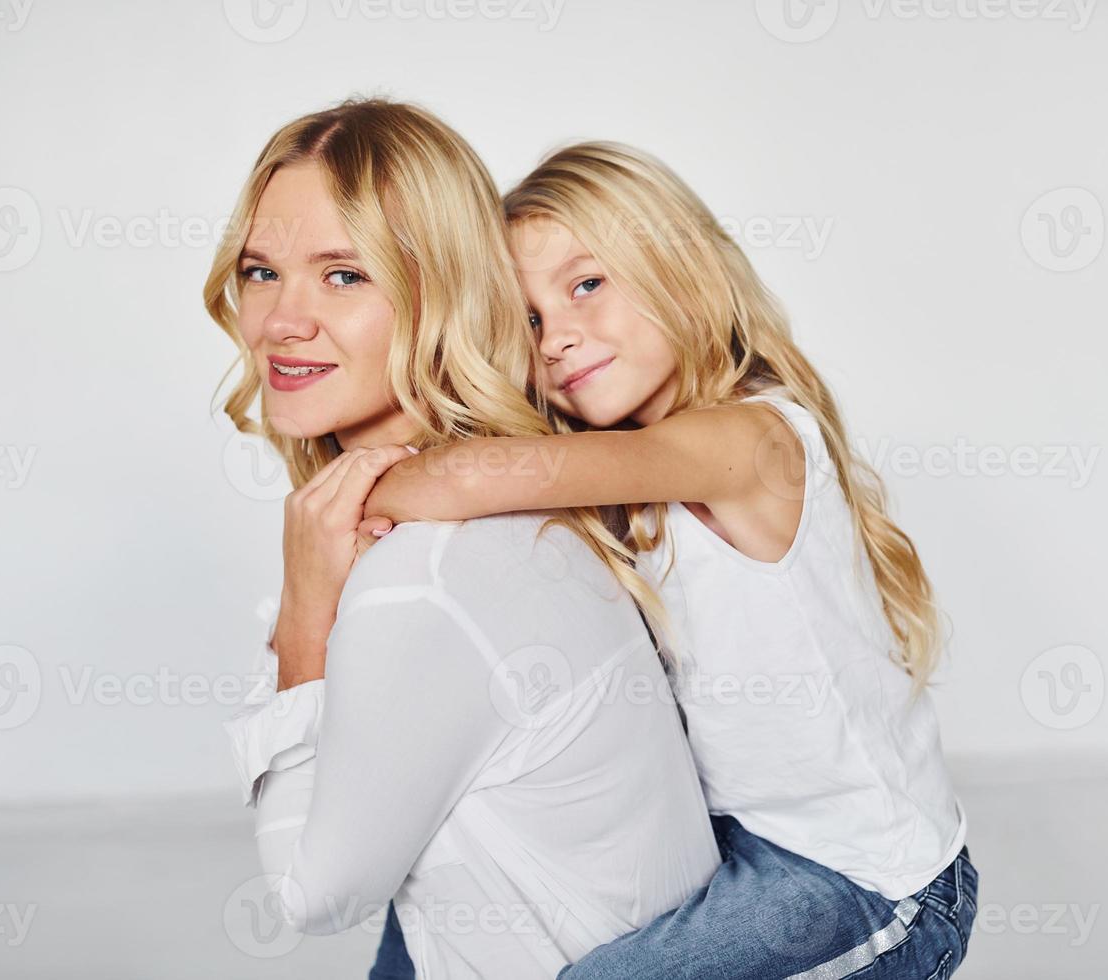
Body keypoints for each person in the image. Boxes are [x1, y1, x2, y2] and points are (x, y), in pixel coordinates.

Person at [356, 142, 979, 979]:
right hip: (726, 838)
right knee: (431, 920)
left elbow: (478, 473)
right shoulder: (633, 462)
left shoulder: (746, 437)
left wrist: (365, 479)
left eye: (587, 285)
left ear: (677, 266)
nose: (558, 339)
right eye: (528, 320)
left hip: (866, 880)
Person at [211, 101, 720, 978]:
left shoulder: (424, 576)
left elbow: (311, 894)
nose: (282, 321)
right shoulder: (516, 509)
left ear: (439, 294)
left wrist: (303, 627)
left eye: (344, 276)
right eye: (262, 271)